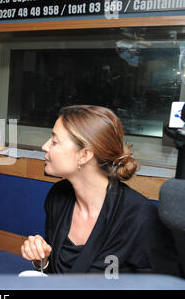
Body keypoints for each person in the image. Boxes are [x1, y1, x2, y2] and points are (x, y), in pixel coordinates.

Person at [21, 105, 182, 276]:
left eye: (54, 141)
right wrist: (43, 262)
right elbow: (58, 275)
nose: (45, 146)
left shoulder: (140, 218)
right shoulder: (58, 197)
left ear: (84, 155)